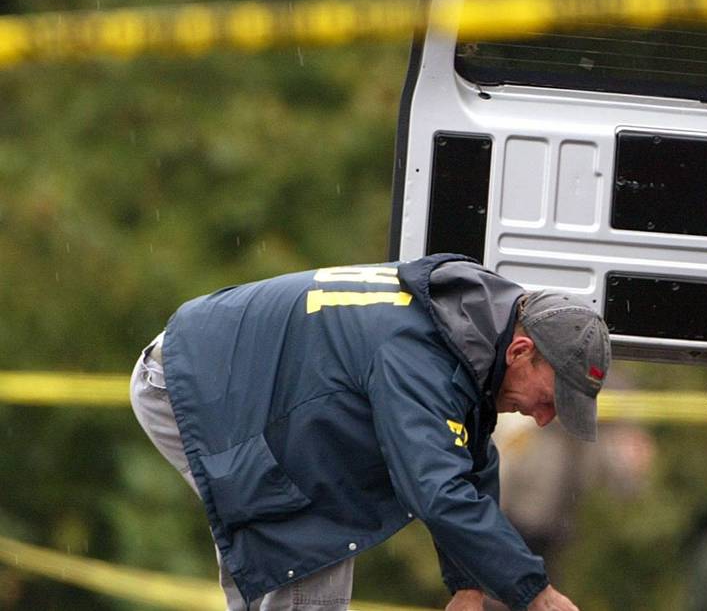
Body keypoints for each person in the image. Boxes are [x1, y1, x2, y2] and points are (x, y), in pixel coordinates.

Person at [129, 253, 610, 611]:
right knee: (311, 542)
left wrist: (469, 585)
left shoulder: (473, 329)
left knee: (301, 550)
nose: (543, 418)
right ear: (521, 351)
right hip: (196, 381)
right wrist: (535, 594)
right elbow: (436, 488)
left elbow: (469, 458)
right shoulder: (422, 356)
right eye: (548, 400)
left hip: (228, 375)